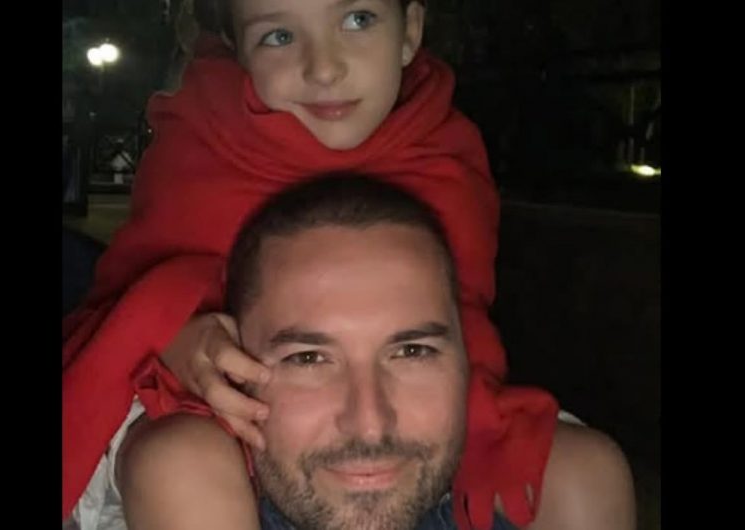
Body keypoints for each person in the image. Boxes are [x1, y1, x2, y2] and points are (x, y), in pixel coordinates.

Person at [117, 175, 636, 530]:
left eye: (411, 351)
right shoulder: (180, 484)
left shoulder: (566, 489)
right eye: (308, 359)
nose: (369, 424)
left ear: (466, 357)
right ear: (230, 369)